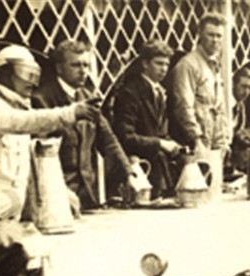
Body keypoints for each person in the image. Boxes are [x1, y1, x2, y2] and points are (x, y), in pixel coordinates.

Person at [0, 45, 100, 220]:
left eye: (35, 75)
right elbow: (19, 122)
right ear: (5, 74)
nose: (32, 81)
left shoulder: (19, 108)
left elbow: (31, 165)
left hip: (10, 216)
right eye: (25, 73)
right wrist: (70, 113)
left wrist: (60, 193)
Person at [33, 40, 135, 213]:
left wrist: (128, 174)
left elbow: (107, 138)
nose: (83, 72)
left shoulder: (87, 96)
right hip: (56, 192)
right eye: (76, 65)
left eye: (86, 65)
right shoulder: (42, 99)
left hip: (87, 194)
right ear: (59, 68)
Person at [112, 40, 183, 200]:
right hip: (140, 171)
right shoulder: (130, 93)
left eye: (166, 64)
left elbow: (160, 130)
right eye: (159, 63)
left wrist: (172, 144)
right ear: (145, 64)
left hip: (161, 172)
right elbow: (125, 137)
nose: (164, 69)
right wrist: (160, 143)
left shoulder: (161, 92)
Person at [169, 12, 229, 155]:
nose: (215, 40)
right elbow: (183, 106)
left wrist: (224, 140)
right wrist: (196, 139)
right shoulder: (188, 65)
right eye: (211, 35)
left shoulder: (214, 66)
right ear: (200, 34)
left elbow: (219, 108)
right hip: (193, 143)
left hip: (213, 144)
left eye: (219, 36)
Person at [230, 66, 250, 173]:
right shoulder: (224, 103)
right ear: (233, 84)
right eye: (243, 86)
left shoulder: (241, 106)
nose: (246, 92)